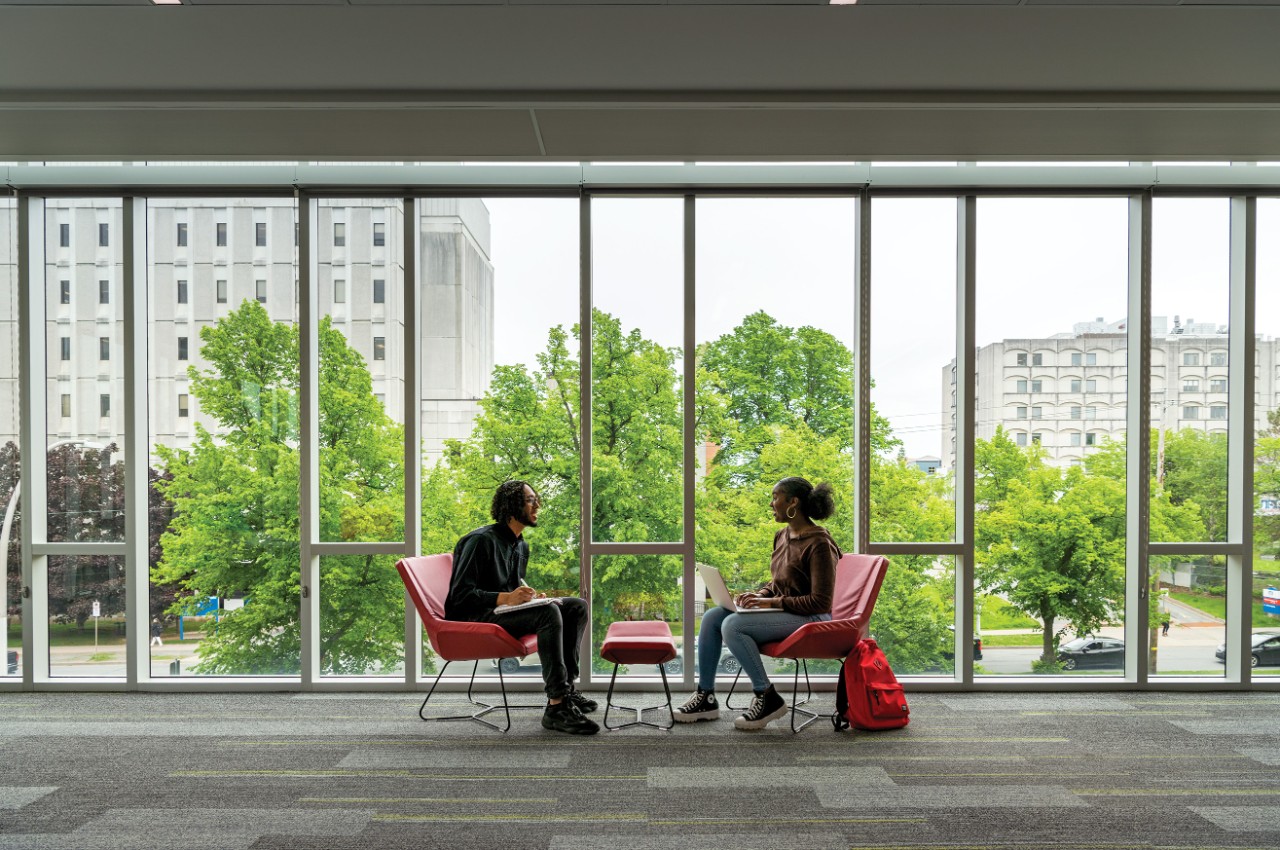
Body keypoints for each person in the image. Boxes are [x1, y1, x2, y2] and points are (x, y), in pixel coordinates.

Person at [675, 477, 840, 730]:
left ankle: (767, 696)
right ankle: (706, 697)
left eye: (776, 497)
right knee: (712, 618)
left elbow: (821, 602)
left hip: (812, 618)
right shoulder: (782, 536)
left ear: (793, 502)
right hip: (789, 612)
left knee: (733, 625)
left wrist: (772, 602)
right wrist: (760, 595)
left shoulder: (818, 543)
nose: (771, 503)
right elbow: (779, 582)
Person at [444, 480, 599, 736]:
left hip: (500, 614)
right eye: (530, 500)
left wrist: (529, 598)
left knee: (575, 606)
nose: (537, 504)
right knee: (548, 612)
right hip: (475, 618)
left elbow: (511, 590)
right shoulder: (479, 541)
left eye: (535, 499)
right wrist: (507, 598)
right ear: (512, 506)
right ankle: (557, 707)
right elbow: (460, 597)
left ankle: (567, 691)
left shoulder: (520, 545)